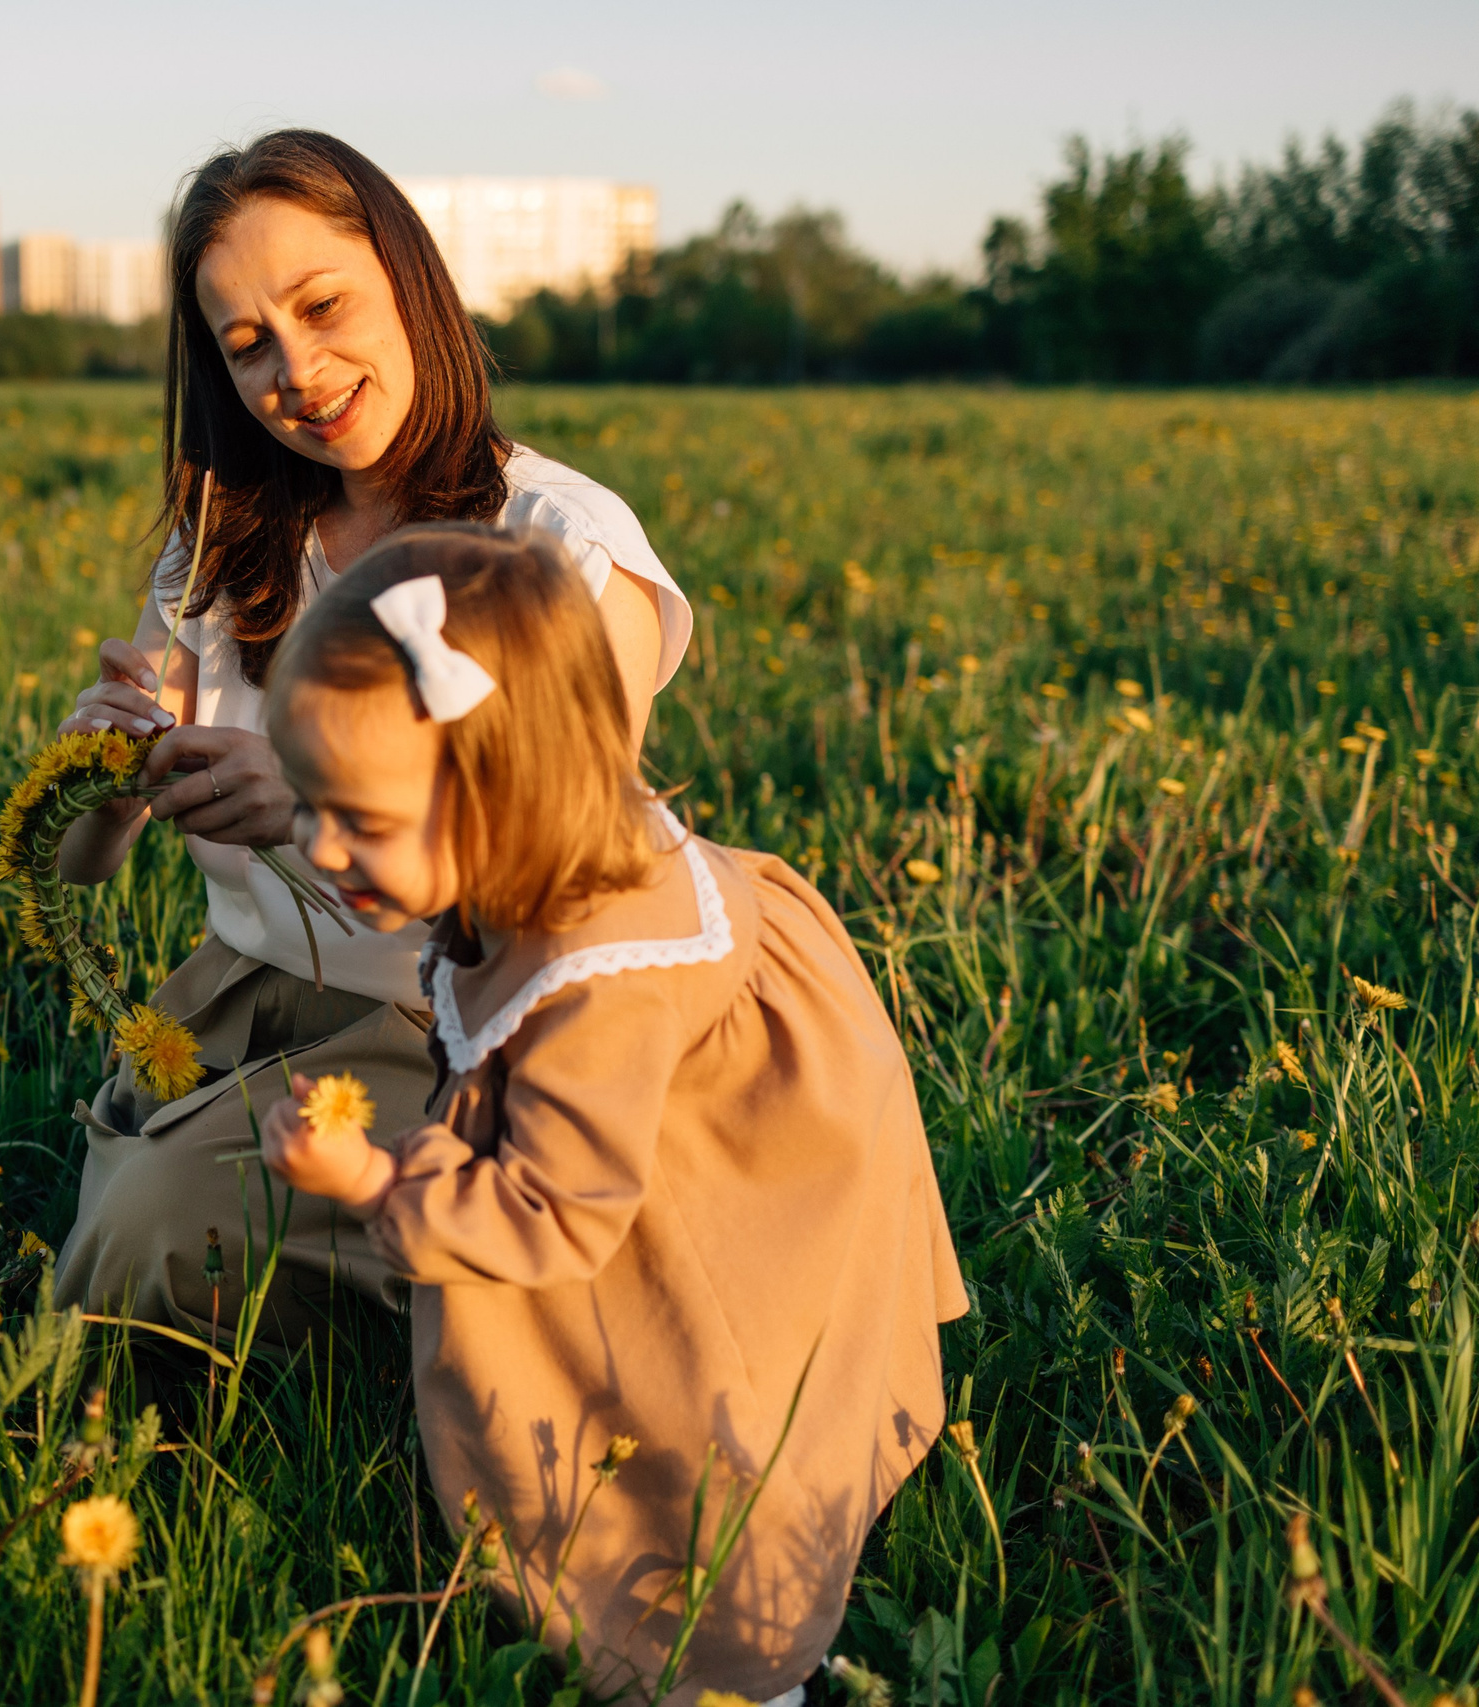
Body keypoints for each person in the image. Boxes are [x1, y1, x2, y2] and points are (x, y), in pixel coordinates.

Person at [253, 526, 967, 1704]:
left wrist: (379, 1185)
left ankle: (740, 1659)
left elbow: (557, 1209)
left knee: (698, 1409)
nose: (320, 847)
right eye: (309, 803)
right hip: (686, 1116)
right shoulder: (542, 844)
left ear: (511, 796)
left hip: (719, 1169)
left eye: (360, 823)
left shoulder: (605, 993)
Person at [50, 129, 693, 1342]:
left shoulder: (559, 543)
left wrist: (309, 799)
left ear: (409, 275)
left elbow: (568, 869)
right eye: (248, 348)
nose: (297, 366)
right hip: (231, 998)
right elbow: (83, 867)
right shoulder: (220, 541)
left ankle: (428, 1277)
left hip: (450, 1022)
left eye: (323, 304)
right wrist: (109, 770)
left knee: (134, 1243)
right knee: (123, 1238)